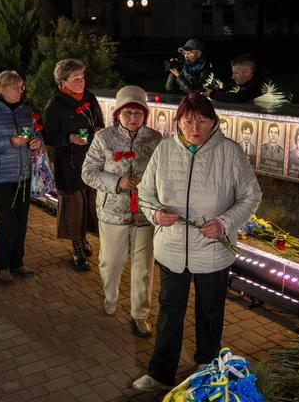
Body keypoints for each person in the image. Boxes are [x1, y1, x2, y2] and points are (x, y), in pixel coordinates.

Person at [133, 92, 262, 392]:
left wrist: (224, 222)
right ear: (177, 122)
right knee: (169, 312)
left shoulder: (230, 152)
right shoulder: (164, 150)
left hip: (213, 252)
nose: (195, 128)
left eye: (202, 121)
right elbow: (145, 192)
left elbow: (251, 196)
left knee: (210, 311)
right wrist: (155, 213)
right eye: (188, 121)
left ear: (213, 122)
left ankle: (207, 366)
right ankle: (161, 372)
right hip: (173, 249)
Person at [81, 85, 162, 337]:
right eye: (128, 113)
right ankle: (110, 296)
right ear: (118, 114)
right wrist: (117, 183)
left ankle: (140, 314)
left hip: (144, 214)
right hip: (112, 212)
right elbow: (88, 172)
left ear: (145, 115)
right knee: (111, 262)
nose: (133, 118)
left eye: (138, 113)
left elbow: (162, 173)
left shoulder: (156, 139)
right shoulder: (104, 138)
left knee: (144, 268)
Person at [0, 71, 40, 284]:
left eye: (22, 87)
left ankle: (17, 262)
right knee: (7, 220)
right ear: (2, 89)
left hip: (22, 173)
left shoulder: (25, 110)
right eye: (15, 87)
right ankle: (1, 265)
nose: (20, 91)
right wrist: (10, 141)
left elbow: (34, 133)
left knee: (21, 220)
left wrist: (36, 141)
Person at [43, 58, 105, 271]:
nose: (81, 81)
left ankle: (84, 237)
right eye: (76, 78)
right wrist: (68, 138)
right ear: (62, 82)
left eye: (82, 77)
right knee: (74, 205)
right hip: (68, 164)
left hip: (91, 161)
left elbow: (100, 123)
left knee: (89, 203)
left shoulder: (90, 98)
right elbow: (49, 137)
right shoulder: (56, 105)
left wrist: (98, 131)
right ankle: (76, 244)